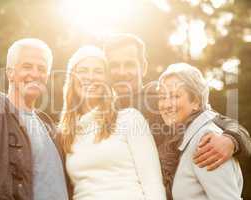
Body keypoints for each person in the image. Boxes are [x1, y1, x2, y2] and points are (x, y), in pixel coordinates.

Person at [102, 33, 251, 199]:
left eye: (129, 64)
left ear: (143, 67)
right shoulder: (100, 114)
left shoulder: (160, 97)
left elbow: (217, 120)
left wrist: (231, 139)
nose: (122, 72)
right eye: (114, 65)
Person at [0, 38, 69, 200]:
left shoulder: (51, 128)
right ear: (10, 73)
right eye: (27, 66)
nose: (35, 74)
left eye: (42, 69)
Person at [59, 45, 166, 200]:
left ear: (106, 80)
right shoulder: (66, 133)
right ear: (71, 79)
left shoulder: (129, 119)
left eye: (98, 71)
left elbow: (152, 183)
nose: (90, 77)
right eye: (83, 71)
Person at [157, 63, 243, 199]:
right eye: (162, 97)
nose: (166, 104)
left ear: (196, 101)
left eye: (175, 96)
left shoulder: (206, 140)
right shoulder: (181, 138)